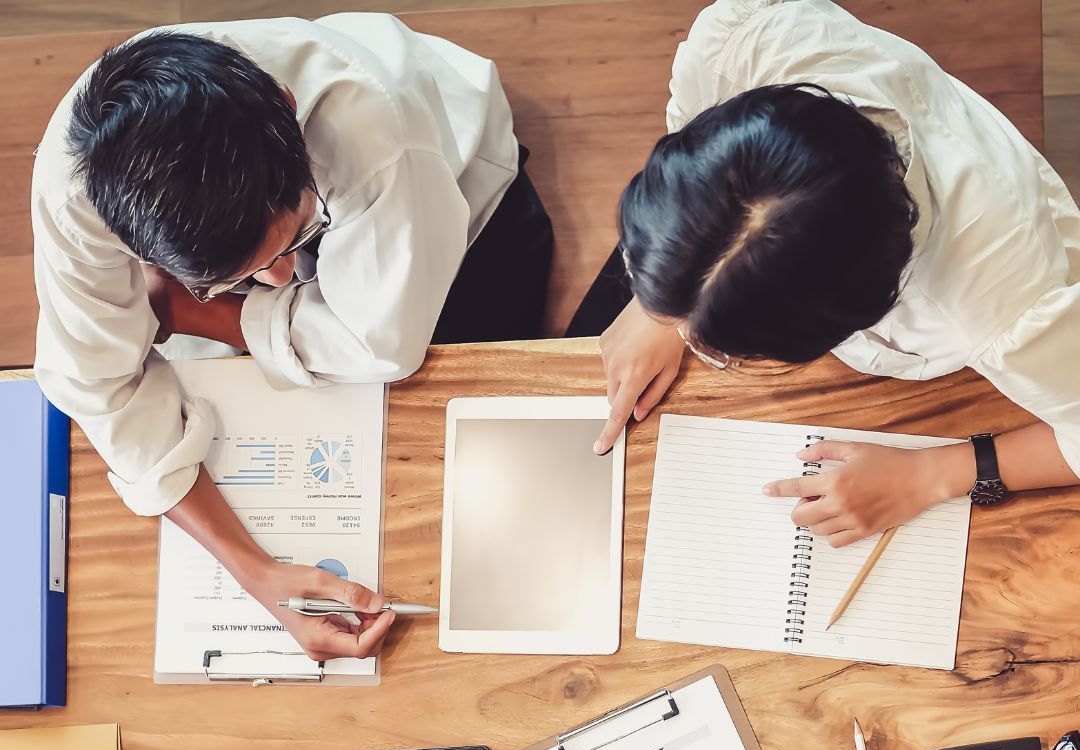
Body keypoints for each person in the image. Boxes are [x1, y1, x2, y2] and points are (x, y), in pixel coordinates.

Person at [32, 18, 553, 658]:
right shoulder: (76, 189)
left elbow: (382, 343)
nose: (281, 280)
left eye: (296, 240)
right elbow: (98, 387)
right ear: (133, 243)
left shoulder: (375, 132)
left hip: (462, 198)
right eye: (240, 276)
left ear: (287, 104)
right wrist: (259, 575)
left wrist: (206, 313)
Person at [578, 0, 1080, 547]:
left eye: (725, 350)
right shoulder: (742, 42)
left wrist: (932, 473)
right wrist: (673, 297)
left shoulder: (1012, 308)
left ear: (857, 310)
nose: (696, 342)